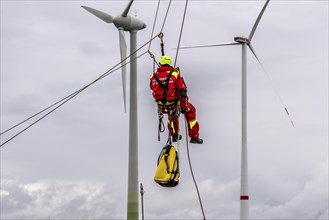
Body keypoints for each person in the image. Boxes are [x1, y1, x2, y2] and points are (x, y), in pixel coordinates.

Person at [150, 55, 203, 144]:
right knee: (191, 111)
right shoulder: (175, 74)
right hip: (174, 103)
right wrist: (184, 106)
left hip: (162, 106)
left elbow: (152, 88)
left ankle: (174, 135)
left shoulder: (153, 76)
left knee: (172, 115)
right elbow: (182, 91)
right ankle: (194, 137)